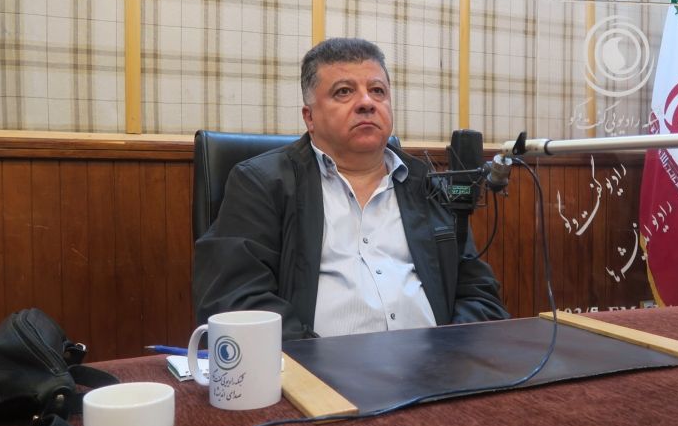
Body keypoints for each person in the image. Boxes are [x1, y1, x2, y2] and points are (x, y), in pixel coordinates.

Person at [193, 37, 509, 340]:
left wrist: (449, 351)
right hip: (313, 370)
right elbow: (236, 299)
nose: (367, 103)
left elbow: (479, 295)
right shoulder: (261, 184)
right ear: (310, 117)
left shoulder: (428, 185)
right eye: (344, 92)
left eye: (377, 91)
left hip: (434, 367)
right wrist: (316, 359)